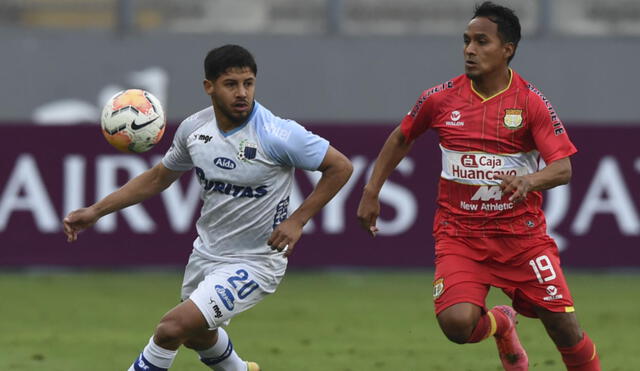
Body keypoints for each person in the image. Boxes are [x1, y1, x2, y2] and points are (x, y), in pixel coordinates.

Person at [63, 44, 353, 371]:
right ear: (209, 87)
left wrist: (298, 221)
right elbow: (159, 177)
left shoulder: (277, 134)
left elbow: (340, 167)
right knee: (196, 335)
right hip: (206, 254)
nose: (242, 93)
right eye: (231, 84)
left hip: (257, 261)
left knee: (171, 329)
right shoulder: (194, 130)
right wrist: (95, 211)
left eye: (248, 83)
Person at [356, 2, 600, 371]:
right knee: (456, 325)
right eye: (466, 41)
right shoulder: (439, 99)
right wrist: (371, 191)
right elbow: (402, 137)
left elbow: (563, 168)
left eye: (481, 41)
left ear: (508, 49)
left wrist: (528, 180)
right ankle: (501, 324)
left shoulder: (530, 103)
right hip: (460, 236)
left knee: (564, 329)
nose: (469, 50)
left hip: (521, 238)